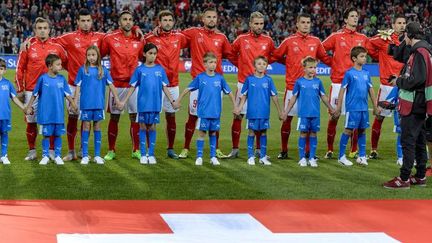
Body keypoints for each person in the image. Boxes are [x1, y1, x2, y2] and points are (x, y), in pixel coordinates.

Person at [272, 12, 332, 160]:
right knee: (287, 119)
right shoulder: (289, 41)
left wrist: (340, 63)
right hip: (292, 86)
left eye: (308, 22)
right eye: (303, 22)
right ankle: (284, 150)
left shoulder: (316, 41)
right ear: (297, 24)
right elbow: (276, 56)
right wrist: (288, 64)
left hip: (310, 88)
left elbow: (325, 58)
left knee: (309, 121)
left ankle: (307, 152)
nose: (306, 25)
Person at [177, 7, 234, 159]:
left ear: (217, 19)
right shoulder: (194, 32)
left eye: (214, 17)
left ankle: (216, 149)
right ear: (203, 19)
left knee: (215, 116)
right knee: (193, 116)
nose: (211, 20)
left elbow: (231, 54)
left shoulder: (222, 37)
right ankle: (186, 148)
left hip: (216, 84)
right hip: (198, 83)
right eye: (208, 17)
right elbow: (175, 36)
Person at [384, 22, 431, 189]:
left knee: (408, 141)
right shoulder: (424, 50)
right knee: (419, 141)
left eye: (406, 35)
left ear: (410, 36)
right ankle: (419, 176)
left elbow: (416, 79)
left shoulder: (419, 52)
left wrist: (399, 81)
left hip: (413, 103)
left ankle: (403, 179)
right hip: (421, 103)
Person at [15, 17, 67, 161]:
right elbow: (20, 68)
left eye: (45, 28)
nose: (42, 30)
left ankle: (51, 151)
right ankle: (32, 151)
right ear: (35, 30)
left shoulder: (57, 47)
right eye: (39, 28)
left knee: (50, 121)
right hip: (32, 90)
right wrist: (20, 89)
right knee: (31, 121)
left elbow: (66, 61)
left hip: (51, 91)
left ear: (49, 30)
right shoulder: (28, 46)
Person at [227, 11, 276, 159]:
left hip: (260, 85)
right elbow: (230, 54)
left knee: (260, 118)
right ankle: (235, 149)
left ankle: (259, 150)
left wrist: (264, 66)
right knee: (238, 116)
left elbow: (273, 56)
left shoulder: (268, 41)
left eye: (261, 24)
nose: (259, 26)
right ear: (250, 24)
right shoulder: (241, 39)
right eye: (256, 23)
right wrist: (240, 65)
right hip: (243, 83)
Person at [322, 8, 369, 159]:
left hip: (356, 85)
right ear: (345, 19)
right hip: (338, 83)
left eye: (357, 16)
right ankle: (330, 149)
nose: (355, 18)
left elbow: (372, 51)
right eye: (352, 16)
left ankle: (353, 150)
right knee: (334, 116)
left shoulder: (362, 37)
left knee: (355, 118)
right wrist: (331, 62)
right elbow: (320, 49)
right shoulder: (336, 36)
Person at [118, 43, 177, 164]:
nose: (153, 56)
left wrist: (172, 101)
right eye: (150, 53)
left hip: (155, 104)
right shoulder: (139, 70)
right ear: (144, 54)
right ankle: (143, 154)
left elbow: (165, 87)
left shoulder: (160, 69)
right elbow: (132, 87)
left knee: (153, 127)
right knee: (143, 126)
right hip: (143, 104)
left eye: (155, 54)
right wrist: (123, 100)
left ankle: (151, 154)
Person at [175, 52, 236, 166]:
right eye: (210, 62)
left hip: (215, 112)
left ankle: (213, 157)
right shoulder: (200, 77)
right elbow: (188, 89)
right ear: (205, 64)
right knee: (202, 133)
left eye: (215, 62)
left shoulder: (220, 78)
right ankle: (199, 157)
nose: (213, 65)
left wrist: (235, 106)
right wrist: (178, 100)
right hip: (203, 112)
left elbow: (230, 92)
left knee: (213, 133)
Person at [100, 10, 145, 161]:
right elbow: (99, 53)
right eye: (124, 19)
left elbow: (145, 57)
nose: (127, 22)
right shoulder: (110, 38)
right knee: (114, 117)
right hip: (116, 84)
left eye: (130, 19)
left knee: (135, 117)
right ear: (119, 22)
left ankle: (136, 150)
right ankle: (111, 150)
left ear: (133, 23)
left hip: (133, 85)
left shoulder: (139, 39)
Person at [145, 10, 188, 159]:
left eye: (170, 20)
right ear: (159, 22)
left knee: (171, 116)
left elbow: (193, 39)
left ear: (174, 22)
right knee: (151, 117)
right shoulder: (150, 38)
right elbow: (140, 51)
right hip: (155, 85)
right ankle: (149, 150)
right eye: (165, 20)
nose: (168, 23)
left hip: (173, 83)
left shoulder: (179, 37)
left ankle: (170, 149)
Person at [25, 54, 78, 165]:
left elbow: (68, 94)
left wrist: (73, 104)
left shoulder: (62, 79)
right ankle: (45, 156)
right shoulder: (42, 79)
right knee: (46, 135)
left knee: (58, 134)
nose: (60, 66)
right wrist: (29, 106)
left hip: (58, 113)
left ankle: (57, 155)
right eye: (58, 64)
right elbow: (34, 94)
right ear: (50, 66)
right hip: (45, 113)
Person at [366, 14, 406, 159]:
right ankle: (374, 149)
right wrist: (378, 56)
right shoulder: (385, 39)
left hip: (403, 86)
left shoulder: (408, 41)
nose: (402, 25)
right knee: (379, 117)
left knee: (404, 121)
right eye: (399, 23)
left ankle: (403, 153)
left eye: (404, 23)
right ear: (393, 25)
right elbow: (368, 44)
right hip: (386, 86)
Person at [73, 46, 120, 165]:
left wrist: (118, 100)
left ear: (98, 56)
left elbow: (112, 85)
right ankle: (85, 155)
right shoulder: (83, 70)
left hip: (98, 104)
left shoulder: (103, 70)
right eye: (89, 55)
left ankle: (97, 155)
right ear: (86, 56)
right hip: (86, 105)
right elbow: (78, 87)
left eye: (93, 55)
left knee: (97, 128)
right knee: (86, 127)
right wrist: (74, 101)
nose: (91, 57)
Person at [333, 46, 379, 166]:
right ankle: (341, 156)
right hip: (352, 108)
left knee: (362, 130)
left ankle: (362, 156)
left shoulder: (366, 73)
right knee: (348, 130)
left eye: (365, 56)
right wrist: (338, 108)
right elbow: (342, 90)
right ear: (354, 58)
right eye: (362, 56)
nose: (365, 59)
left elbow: (371, 90)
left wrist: (375, 106)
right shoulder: (349, 73)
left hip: (364, 107)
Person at [284, 57, 334, 167]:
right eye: (310, 67)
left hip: (315, 114)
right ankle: (302, 158)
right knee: (303, 134)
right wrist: (286, 112)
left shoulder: (318, 82)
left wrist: (331, 108)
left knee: (313, 134)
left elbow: (324, 97)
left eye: (315, 67)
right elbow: (293, 98)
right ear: (304, 68)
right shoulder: (299, 82)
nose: (313, 70)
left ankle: (311, 158)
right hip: (303, 114)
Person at [234, 56, 283, 165]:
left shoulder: (268, 80)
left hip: (264, 112)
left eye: (264, 64)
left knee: (264, 133)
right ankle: (250, 156)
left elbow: (274, 96)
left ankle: (262, 157)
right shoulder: (249, 79)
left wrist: (280, 111)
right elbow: (244, 95)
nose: (261, 66)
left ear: (266, 66)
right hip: (252, 112)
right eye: (259, 64)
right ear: (255, 65)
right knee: (251, 132)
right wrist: (239, 107)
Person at [0, 58, 27, 164]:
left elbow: (14, 98)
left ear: (5, 70)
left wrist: (23, 108)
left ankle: (4, 155)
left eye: (1, 69)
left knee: (4, 134)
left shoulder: (7, 83)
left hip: (5, 115)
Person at [378, 86, 403, 166]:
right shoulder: (399, 86)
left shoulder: (417, 82)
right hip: (400, 115)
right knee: (401, 135)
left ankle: (416, 157)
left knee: (416, 135)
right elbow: (389, 100)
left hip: (414, 113)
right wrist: (382, 106)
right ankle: (400, 158)